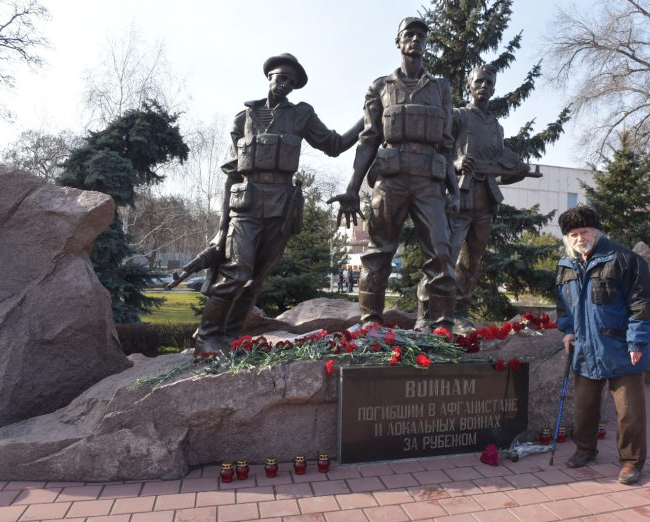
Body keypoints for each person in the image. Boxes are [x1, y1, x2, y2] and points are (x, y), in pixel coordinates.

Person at [194, 53, 362, 353]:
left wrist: (368, 119)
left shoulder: (301, 115)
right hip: (244, 206)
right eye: (281, 77)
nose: (285, 84)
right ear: (269, 77)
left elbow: (334, 145)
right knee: (238, 272)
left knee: (255, 279)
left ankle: (230, 338)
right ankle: (206, 336)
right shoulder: (243, 119)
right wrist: (221, 229)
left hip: (281, 208)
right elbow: (232, 174)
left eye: (291, 81)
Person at [330, 17, 460, 330]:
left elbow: (446, 143)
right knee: (378, 252)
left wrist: (454, 189)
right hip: (391, 179)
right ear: (398, 42)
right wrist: (352, 187)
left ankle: (440, 325)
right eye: (409, 35)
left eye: (421, 35)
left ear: (426, 43)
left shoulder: (441, 88)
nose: (415, 39)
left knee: (441, 251)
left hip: (429, 180)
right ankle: (370, 323)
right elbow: (369, 139)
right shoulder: (380, 87)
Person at [415, 64, 541, 330]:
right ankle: (425, 316)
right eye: (480, 81)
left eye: (489, 83)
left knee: (471, 262)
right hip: (459, 199)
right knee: (442, 257)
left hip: (486, 203)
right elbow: (436, 149)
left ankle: (458, 313)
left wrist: (516, 171)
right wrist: (457, 163)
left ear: (494, 88)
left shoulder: (496, 127)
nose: (484, 86)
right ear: (469, 85)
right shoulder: (458, 116)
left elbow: (499, 170)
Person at [554, 205, 650, 485]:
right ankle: (585, 450)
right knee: (584, 407)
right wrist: (567, 331)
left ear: (596, 231)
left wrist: (637, 341)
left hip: (622, 349)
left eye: (584, 231)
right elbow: (563, 306)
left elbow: (643, 304)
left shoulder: (625, 260)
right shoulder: (566, 266)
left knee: (629, 412)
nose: (579, 238)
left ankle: (631, 462)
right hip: (585, 350)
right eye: (573, 234)